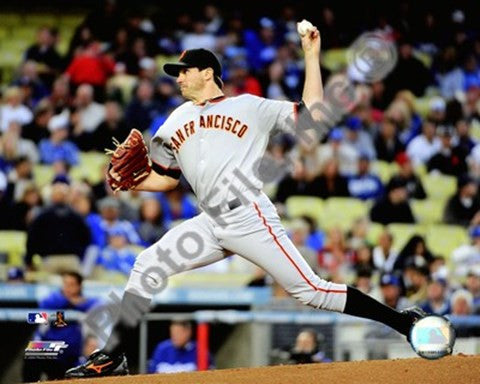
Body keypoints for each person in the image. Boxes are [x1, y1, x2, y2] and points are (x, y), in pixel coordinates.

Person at [66, 26, 428, 378]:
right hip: (209, 223)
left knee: (311, 291)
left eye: (184, 71)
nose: (178, 78)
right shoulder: (175, 120)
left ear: (208, 73)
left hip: (250, 218)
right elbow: (166, 178)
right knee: (147, 264)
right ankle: (113, 356)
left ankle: (401, 320)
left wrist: (311, 55)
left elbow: (312, 117)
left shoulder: (249, 107)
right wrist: (132, 183)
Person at [148, 320, 213, 373]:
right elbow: (151, 374)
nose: (175, 337)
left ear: (188, 332)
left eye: (178, 333)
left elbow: (209, 376)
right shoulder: (162, 349)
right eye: (173, 333)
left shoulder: (200, 350)